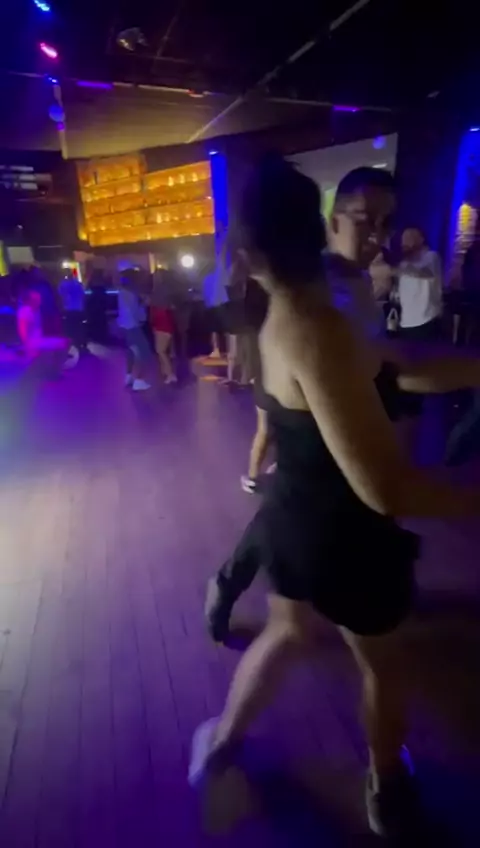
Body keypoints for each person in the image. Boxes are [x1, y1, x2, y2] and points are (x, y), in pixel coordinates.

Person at [195, 160, 480, 838]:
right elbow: (385, 486)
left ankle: (223, 742)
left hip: (294, 518)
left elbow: (391, 368)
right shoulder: (314, 321)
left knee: (290, 632)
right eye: (365, 219)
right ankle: (386, 783)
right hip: (344, 532)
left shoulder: (286, 310)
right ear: (320, 226)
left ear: (250, 249)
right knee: (385, 662)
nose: (378, 234)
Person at [117, 271, 151, 391]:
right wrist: (144, 304)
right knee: (144, 353)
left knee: (131, 352)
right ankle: (139, 380)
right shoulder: (131, 295)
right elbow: (138, 314)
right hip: (133, 327)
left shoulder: (122, 292)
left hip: (124, 326)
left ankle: (129, 377)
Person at [150, 270, 177, 384]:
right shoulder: (165, 290)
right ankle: (166, 372)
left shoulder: (157, 292)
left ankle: (170, 373)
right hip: (163, 322)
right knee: (161, 350)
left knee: (160, 350)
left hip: (161, 323)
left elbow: (154, 309)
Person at [58, 271, 86, 354]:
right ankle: (80, 344)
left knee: (70, 328)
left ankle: (71, 345)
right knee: (78, 326)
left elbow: (60, 296)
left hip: (68, 309)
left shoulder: (63, 284)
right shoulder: (78, 284)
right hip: (78, 308)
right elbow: (82, 295)